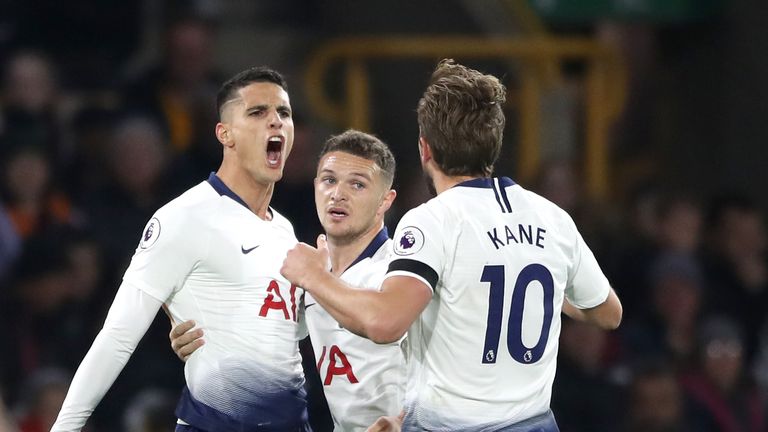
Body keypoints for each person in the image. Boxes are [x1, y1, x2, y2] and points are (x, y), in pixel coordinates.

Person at [280, 59, 623, 431]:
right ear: (495, 142)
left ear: (425, 149)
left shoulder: (434, 220)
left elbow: (384, 322)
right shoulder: (551, 218)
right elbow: (608, 313)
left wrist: (315, 276)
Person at [51, 66, 310, 431]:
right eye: (257, 112)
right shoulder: (185, 217)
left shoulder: (284, 229)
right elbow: (117, 336)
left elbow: (287, 336)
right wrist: (65, 427)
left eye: (284, 113)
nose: (276, 122)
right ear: (226, 134)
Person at [171, 129, 406, 431]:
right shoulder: (306, 269)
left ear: (385, 200)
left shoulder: (403, 273)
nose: (338, 194)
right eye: (329, 180)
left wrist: (406, 422)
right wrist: (196, 336)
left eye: (358, 185)